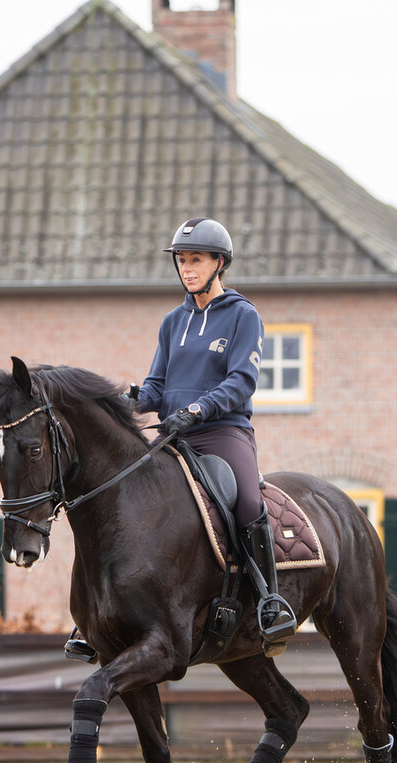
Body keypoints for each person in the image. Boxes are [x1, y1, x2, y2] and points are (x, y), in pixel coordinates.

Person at [138, 216, 296, 653]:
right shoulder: (173, 322)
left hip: (223, 431)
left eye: (196, 260)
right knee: (128, 495)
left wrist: (197, 408)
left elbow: (241, 381)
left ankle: (270, 601)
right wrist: (128, 398)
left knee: (247, 500)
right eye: (182, 261)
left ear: (219, 263)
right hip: (176, 434)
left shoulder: (244, 316)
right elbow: (156, 386)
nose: (187, 268)